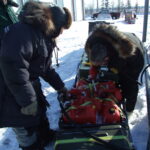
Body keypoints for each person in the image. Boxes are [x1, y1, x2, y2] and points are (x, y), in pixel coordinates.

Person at [0, 1, 72, 150]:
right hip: (10, 90)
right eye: (62, 29)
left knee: (39, 114)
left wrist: (61, 87)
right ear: (55, 25)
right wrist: (27, 100)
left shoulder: (41, 34)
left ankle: (45, 136)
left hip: (27, 83)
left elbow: (45, 68)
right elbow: (13, 66)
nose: (61, 33)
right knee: (25, 127)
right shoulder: (23, 33)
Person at [85, 23, 144, 113]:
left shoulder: (125, 52)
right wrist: (94, 72)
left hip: (135, 56)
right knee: (115, 75)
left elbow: (130, 81)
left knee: (128, 84)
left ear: (107, 58)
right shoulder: (92, 44)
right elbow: (94, 60)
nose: (100, 65)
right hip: (115, 48)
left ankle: (129, 109)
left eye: (102, 63)